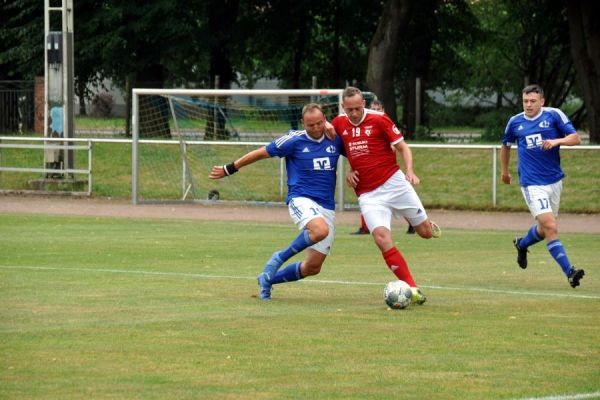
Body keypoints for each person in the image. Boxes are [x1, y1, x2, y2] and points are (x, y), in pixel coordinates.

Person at [209, 103, 341, 300]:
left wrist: (355, 170)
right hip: (301, 198)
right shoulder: (293, 140)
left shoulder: (334, 138)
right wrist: (231, 168)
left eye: (320, 123)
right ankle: (278, 258)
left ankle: (267, 280)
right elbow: (261, 153)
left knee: (312, 267)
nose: (316, 128)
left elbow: (356, 153)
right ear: (302, 123)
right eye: (310, 125)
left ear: (325, 120)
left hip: (326, 206)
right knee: (320, 230)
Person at [332, 87, 440, 305]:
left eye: (357, 108)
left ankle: (426, 222)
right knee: (381, 238)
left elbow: (403, 147)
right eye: (349, 109)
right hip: (368, 193)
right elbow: (341, 150)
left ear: (364, 103)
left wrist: (409, 170)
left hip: (395, 183)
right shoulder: (338, 124)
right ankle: (412, 287)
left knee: (425, 233)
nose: (353, 113)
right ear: (344, 107)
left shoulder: (379, 119)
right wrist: (349, 171)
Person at [501, 84, 585, 288]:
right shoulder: (515, 122)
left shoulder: (554, 115)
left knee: (544, 228)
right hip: (531, 183)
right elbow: (506, 145)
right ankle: (570, 272)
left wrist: (556, 141)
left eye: (532, 101)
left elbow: (576, 139)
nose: (528, 105)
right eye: (525, 101)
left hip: (555, 181)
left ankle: (522, 244)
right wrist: (504, 172)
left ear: (542, 101)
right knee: (551, 227)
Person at [351, 99, 415, 235]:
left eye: (378, 109)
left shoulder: (384, 123)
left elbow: (398, 146)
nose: (375, 111)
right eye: (373, 108)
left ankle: (413, 223)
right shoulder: (363, 124)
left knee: (401, 203)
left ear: (383, 110)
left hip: (387, 174)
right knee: (366, 199)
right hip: (368, 173)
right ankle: (364, 227)